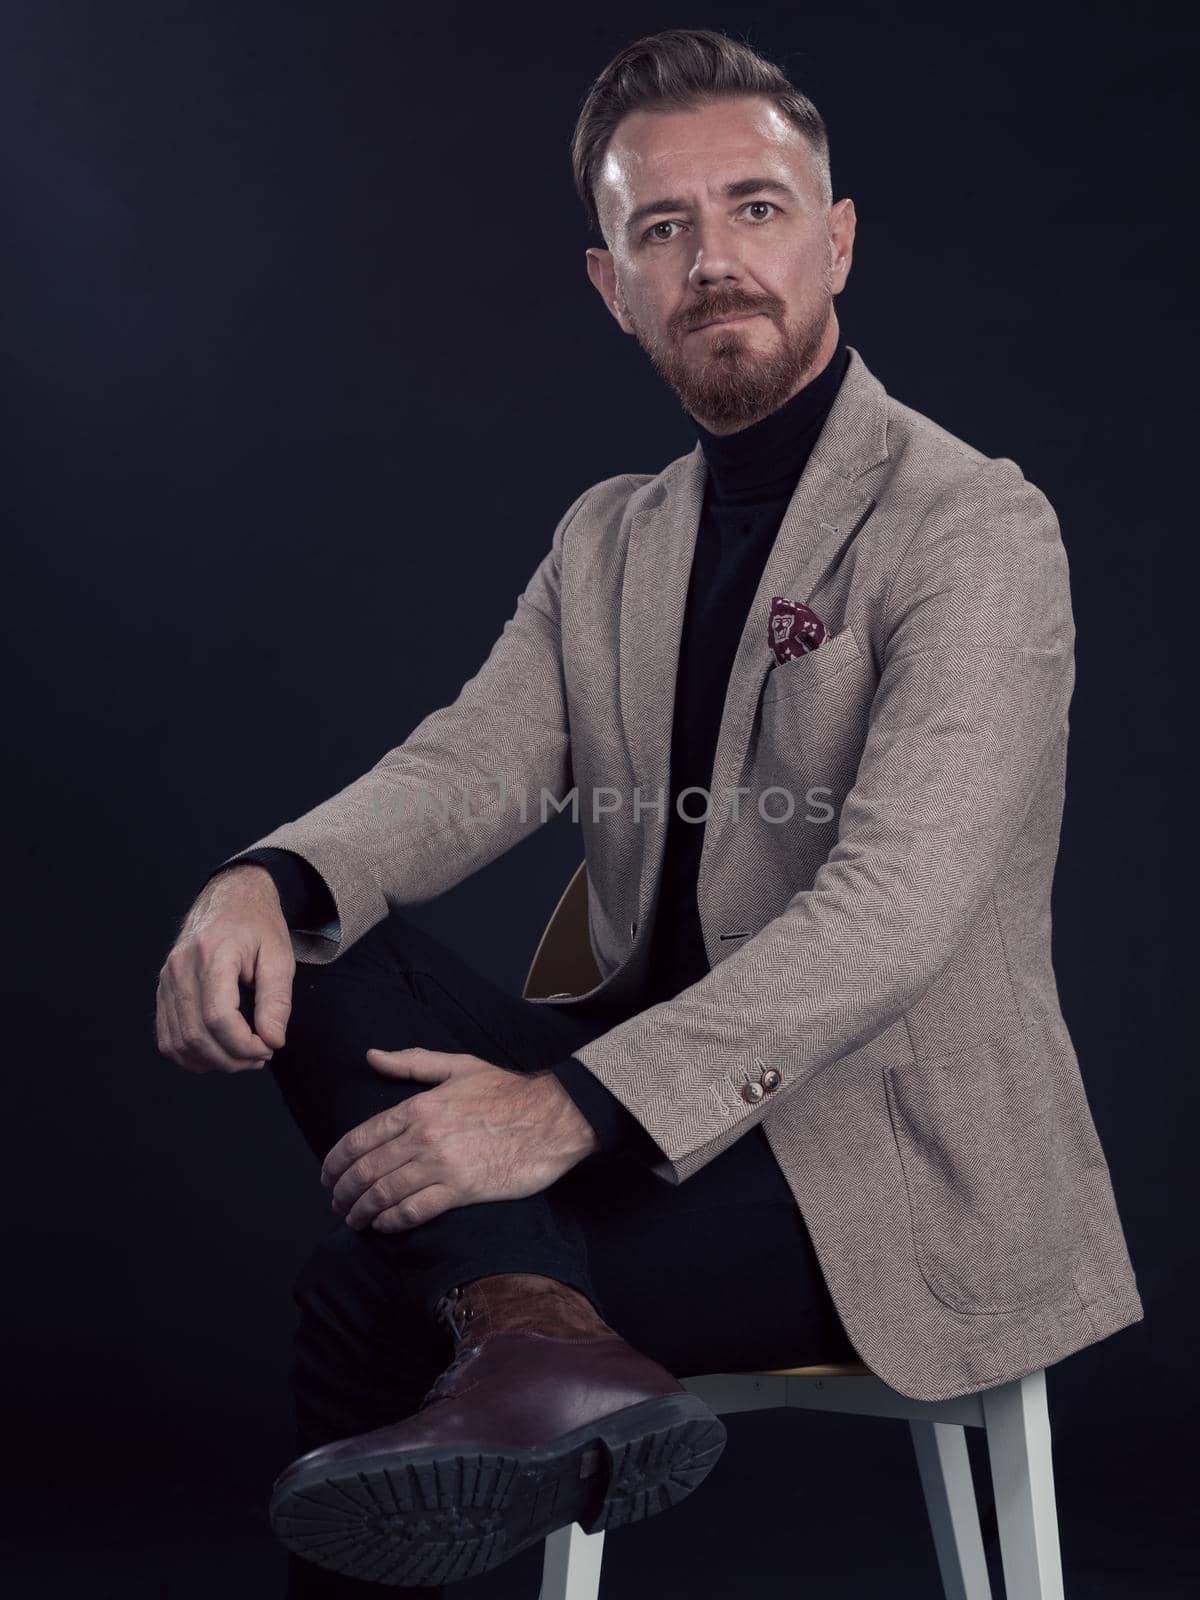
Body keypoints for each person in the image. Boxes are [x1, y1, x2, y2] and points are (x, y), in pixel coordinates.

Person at [155, 26, 1143, 1598]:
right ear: (612, 282)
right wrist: (260, 877)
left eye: (755, 209)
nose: (715, 260)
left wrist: (566, 1114)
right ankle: (537, 1341)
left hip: (885, 1168)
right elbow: (468, 767)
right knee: (325, 940)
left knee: (365, 1297)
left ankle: (525, 1338)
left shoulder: (975, 526)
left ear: (836, 239)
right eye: (661, 228)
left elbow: (892, 910)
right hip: (663, 1105)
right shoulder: (611, 537)